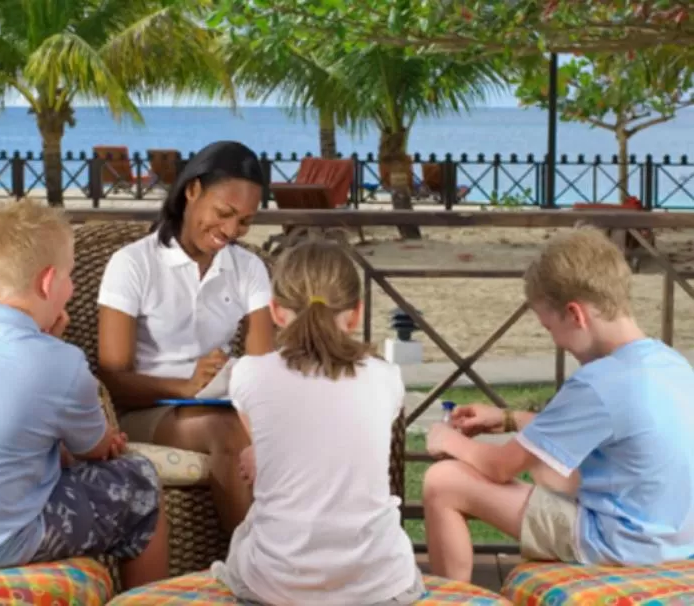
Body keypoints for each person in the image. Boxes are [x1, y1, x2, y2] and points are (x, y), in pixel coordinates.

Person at [0, 200, 168, 590]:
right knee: (142, 485)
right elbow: (96, 450)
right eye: (70, 275)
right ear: (48, 282)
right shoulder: (60, 363)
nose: (72, 288)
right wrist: (104, 441)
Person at [423, 226, 694, 582]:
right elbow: (591, 427)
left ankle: (453, 598)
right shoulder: (670, 362)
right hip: (673, 540)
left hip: (620, 546)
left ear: (575, 315)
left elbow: (500, 467)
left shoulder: (598, 382)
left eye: (550, 328)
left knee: (443, 482)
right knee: (549, 467)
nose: (558, 341)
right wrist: (509, 418)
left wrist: (447, 439)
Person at [211, 238, 424, 605]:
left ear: (276, 312)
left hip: (277, 587)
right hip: (379, 586)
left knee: (242, 546)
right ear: (355, 314)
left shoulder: (249, 374)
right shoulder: (386, 377)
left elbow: (266, 445)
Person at [96, 140, 274, 533]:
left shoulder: (248, 268)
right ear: (192, 190)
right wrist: (186, 385)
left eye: (245, 221)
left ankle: (322, 558)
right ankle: (259, 563)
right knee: (225, 431)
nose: (231, 231)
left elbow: (264, 369)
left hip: (226, 407)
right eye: (224, 213)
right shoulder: (133, 264)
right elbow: (112, 380)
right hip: (147, 412)